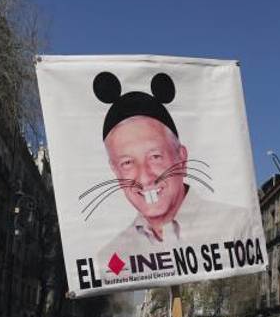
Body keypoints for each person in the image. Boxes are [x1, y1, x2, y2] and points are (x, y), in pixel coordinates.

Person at [92, 72, 256, 278]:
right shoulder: (111, 257)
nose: (144, 178)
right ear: (115, 171)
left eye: (155, 156)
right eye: (127, 163)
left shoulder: (235, 226)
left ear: (182, 158)